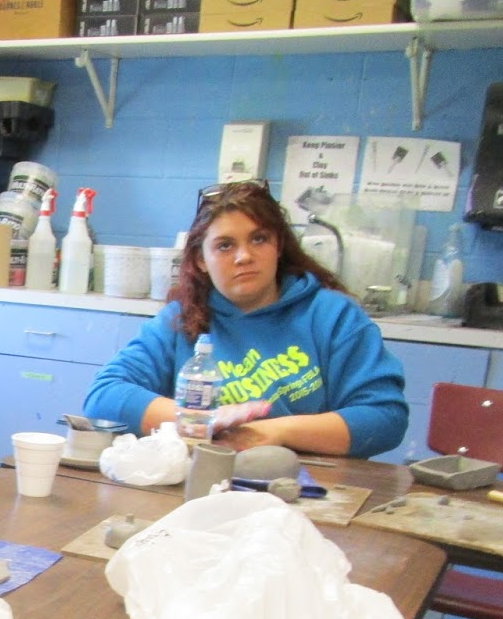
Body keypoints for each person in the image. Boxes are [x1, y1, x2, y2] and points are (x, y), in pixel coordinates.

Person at [83, 180, 408, 459]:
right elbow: (103, 398)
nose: (244, 256)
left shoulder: (333, 316)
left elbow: (384, 418)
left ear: (279, 245)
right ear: (201, 260)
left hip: (309, 488)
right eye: (225, 245)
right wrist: (203, 420)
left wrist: (274, 432)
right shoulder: (181, 320)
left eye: (259, 239)